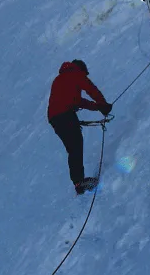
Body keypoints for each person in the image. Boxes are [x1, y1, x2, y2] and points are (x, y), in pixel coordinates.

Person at [47, 59, 113, 195]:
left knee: (73, 147)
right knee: (75, 146)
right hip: (65, 115)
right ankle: (80, 182)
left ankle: (78, 182)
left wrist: (98, 107)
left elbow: (77, 101)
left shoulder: (60, 79)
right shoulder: (76, 73)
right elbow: (91, 89)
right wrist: (103, 104)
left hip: (55, 118)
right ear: (81, 69)